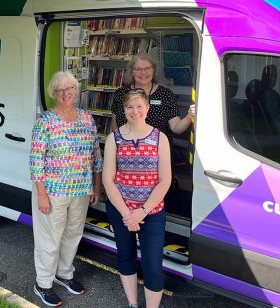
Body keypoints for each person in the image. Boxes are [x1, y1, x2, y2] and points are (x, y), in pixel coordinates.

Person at [30, 71, 103, 307]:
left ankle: (64, 273)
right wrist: (41, 194)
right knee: (49, 239)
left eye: (70, 88)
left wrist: (96, 185)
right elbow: (36, 160)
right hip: (52, 191)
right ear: (54, 93)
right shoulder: (45, 121)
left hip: (81, 189)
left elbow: (95, 155)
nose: (66, 93)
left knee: (73, 234)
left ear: (76, 89)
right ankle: (43, 284)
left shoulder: (86, 118)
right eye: (60, 90)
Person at [102, 88, 172, 308]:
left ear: (148, 108)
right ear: (124, 110)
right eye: (130, 107)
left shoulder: (160, 138)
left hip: (151, 212)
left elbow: (165, 180)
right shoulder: (114, 139)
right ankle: (133, 304)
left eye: (139, 106)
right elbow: (108, 180)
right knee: (126, 257)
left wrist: (141, 212)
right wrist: (127, 214)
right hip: (121, 211)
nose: (135, 111)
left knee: (153, 265)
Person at [111, 54, 195, 141]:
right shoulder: (121, 93)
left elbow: (176, 128)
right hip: (126, 149)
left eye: (147, 68)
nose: (143, 73)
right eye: (138, 69)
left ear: (153, 70)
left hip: (158, 151)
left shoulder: (165, 94)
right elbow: (115, 126)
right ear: (132, 71)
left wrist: (189, 117)